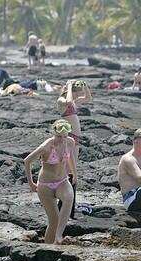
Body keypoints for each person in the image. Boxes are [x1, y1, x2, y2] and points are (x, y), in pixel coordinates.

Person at [24, 119, 77, 244]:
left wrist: (75, 173)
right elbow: (27, 161)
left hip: (62, 181)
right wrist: (31, 183)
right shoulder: (46, 146)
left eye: (65, 136)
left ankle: (59, 236)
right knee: (53, 221)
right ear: (54, 133)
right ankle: (48, 248)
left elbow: (71, 156)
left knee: (69, 197)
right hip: (45, 186)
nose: (62, 139)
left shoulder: (70, 142)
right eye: (59, 136)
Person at [57, 79, 92, 218]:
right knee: (67, 171)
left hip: (75, 139)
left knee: (72, 171)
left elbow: (89, 98)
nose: (78, 96)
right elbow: (69, 100)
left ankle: (69, 207)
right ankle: (63, 205)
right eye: (77, 93)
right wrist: (70, 87)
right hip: (68, 138)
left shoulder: (73, 100)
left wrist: (86, 86)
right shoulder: (61, 100)